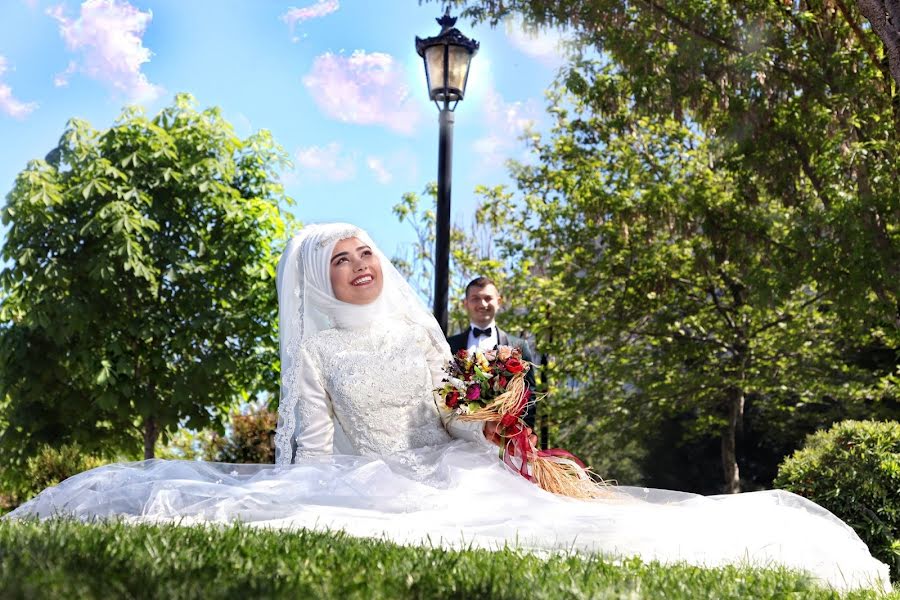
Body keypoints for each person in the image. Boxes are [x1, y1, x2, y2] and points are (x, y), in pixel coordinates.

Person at [7, 223, 891, 593]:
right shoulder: (315, 347)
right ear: (319, 282)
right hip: (364, 476)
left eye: (366, 252)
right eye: (341, 259)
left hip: (451, 465)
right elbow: (312, 447)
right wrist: (302, 495)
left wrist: (489, 415)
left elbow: (447, 410)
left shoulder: (425, 330)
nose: (360, 263)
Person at [447, 277, 537, 429]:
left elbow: (530, 396)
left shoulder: (519, 346)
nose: (482, 304)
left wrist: (521, 434)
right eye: (475, 298)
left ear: (499, 301)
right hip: (459, 436)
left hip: (503, 437)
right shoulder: (449, 345)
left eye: (488, 298)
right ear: (465, 303)